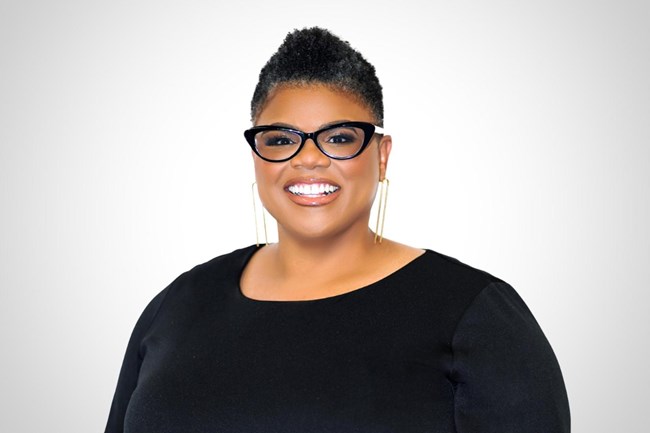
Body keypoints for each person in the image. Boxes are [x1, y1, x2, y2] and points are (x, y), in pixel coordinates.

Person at [105, 27, 570, 432]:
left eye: (339, 137)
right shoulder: (177, 307)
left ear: (381, 154)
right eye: (281, 139)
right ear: (256, 156)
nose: (308, 158)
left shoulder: (476, 315)